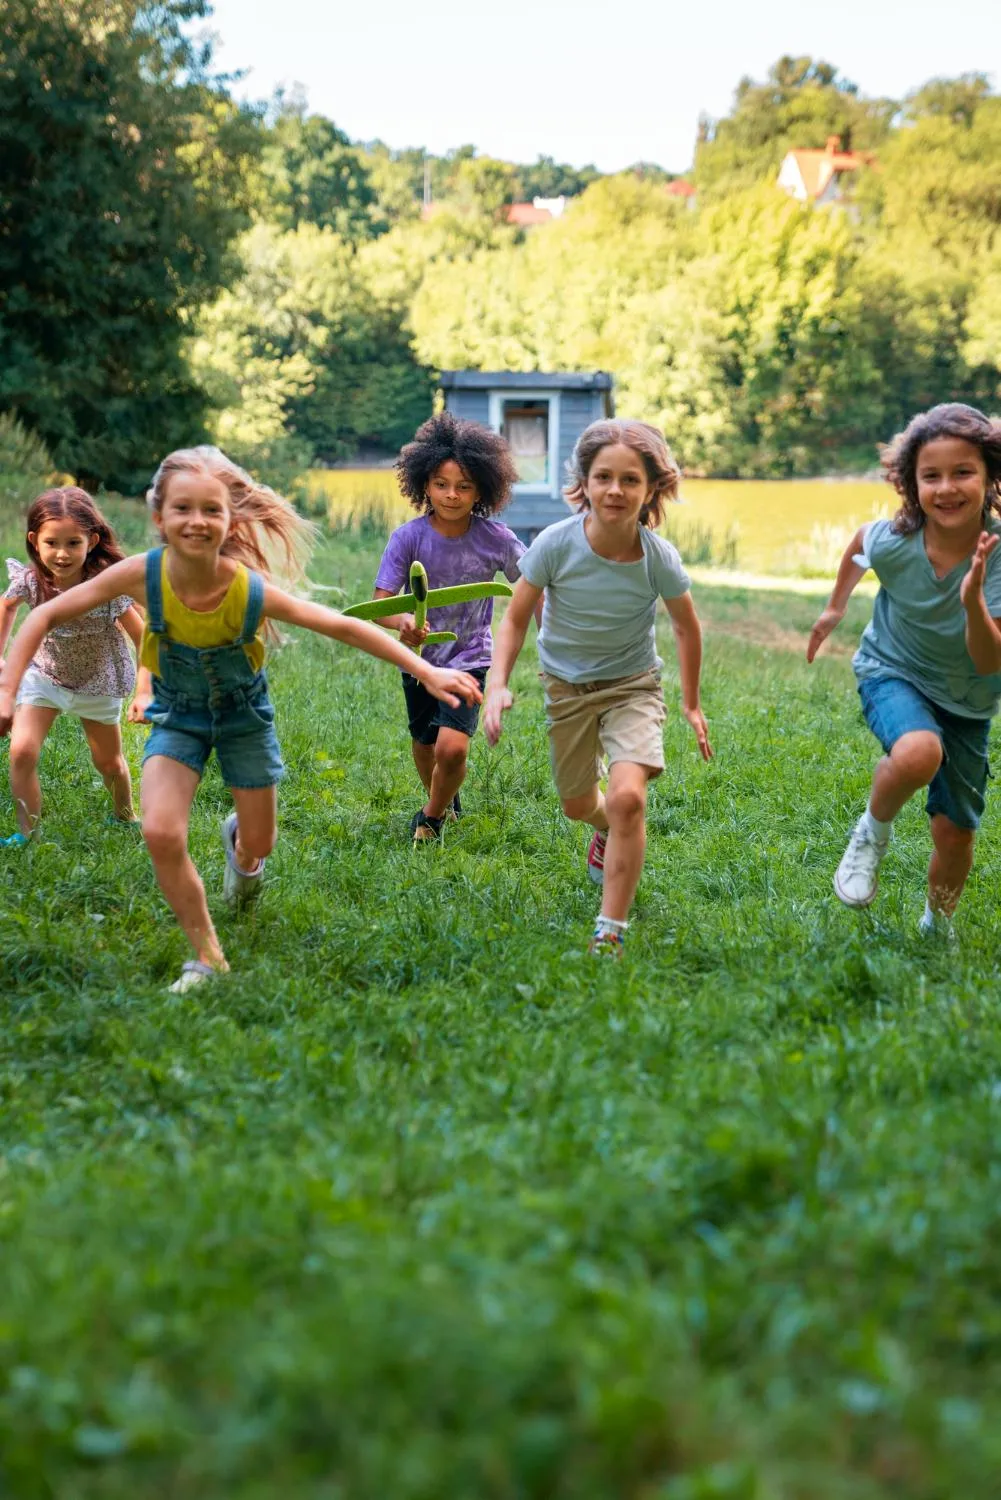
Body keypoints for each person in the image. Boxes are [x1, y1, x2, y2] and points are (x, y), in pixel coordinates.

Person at [0, 446, 482, 992]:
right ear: (159, 517)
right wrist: (8, 690)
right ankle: (207, 956)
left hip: (242, 718)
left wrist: (428, 671)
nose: (196, 521)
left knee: (261, 842)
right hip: (178, 715)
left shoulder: (244, 587)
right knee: (160, 831)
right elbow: (43, 615)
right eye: (183, 508)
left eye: (211, 510)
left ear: (229, 521)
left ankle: (242, 848)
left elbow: (341, 626)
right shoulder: (140, 573)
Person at [483, 418, 712, 957]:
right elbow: (514, 619)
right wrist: (497, 683)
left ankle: (610, 931)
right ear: (583, 482)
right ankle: (605, 830)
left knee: (628, 798)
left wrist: (691, 703)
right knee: (578, 803)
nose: (615, 490)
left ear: (651, 489)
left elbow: (686, 627)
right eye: (604, 477)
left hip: (633, 686)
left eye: (630, 480)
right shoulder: (555, 544)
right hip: (567, 689)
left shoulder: (657, 557)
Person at [807, 402, 1001, 936]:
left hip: (969, 697)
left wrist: (972, 602)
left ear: (989, 476)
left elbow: (989, 660)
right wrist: (835, 607)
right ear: (912, 484)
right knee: (918, 751)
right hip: (893, 669)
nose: (947, 488)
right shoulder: (896, 538)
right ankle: (871, 833)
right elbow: (859, 543)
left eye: (963, 472)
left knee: (956, 834)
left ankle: (936, 925)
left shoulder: (998, 554)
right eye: (930, 475)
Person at [372, 411, 524, 842]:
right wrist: (402, 622)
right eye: (441, 484)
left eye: (464, 486)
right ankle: (442, 801)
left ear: (483, 490)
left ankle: (431, 818)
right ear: (424, 484)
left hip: (470, 658)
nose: (452, 495)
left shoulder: (497, 539)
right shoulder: (407, 538)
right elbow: (380, 607)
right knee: (425, 744)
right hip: (419, 660)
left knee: (451, 747)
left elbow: (532, 585)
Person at [0, 486, 147, 844]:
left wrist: (146, 687)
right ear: (35, 541)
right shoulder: (33, 580)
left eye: (73, 543)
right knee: (21, 751)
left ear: (92, 541)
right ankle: (28, 833)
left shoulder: (106, 586)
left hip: (98, 682)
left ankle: (125, 816)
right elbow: (6, 606)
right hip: (45, 676)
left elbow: (143, 636)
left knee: (108, 763)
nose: (62, 554)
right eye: (51, 543)